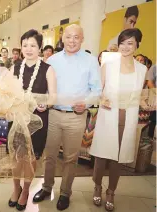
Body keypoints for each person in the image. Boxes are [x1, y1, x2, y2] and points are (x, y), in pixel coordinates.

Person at [33, 24, 101, 210]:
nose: (72, 40)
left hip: (76, 116)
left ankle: (65, 193)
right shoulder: (52, 60)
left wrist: (86, 103)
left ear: (82, 39)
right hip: (53, 114)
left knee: (71, 158)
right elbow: (45, 88)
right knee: (50, 155)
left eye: (76, 37)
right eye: (69, 37)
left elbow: (97, 90)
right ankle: (46, 187)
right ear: (62, 38)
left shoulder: (90, 60)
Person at [89, 28, 148, 211]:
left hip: (128, 117)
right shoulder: (109, 64)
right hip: (108, 115)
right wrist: (101, 99)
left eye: (130, 43)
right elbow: (97, 91)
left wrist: (147, 104)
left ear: (137, 45)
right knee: (101, 157)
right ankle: (97, 185)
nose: (125, 46)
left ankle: (111, 191)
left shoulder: (142, 69)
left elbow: (140, 97)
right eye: (122, 42)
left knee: (118, 158)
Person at [7, 30, 57, 211]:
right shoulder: (15, 67)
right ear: (21, 47)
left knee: (30, 157)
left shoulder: (47, 69)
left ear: (40, 48)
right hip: (17, 118)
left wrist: (46, 104)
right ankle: (15, 188)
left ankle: (26, 190)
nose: (28, 49)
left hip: (37, 120)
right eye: (25, 45)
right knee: (16, 155)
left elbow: (53, 97)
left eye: (33, 45)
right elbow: (8, 93)